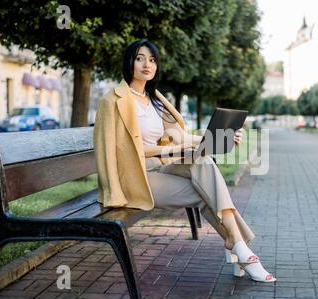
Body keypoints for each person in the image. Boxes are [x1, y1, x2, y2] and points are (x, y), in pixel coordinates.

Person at [93, 40, 275, 282]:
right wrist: (173, 150)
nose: (147, 64)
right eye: (140, 58)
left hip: (161, 169)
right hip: (135, 178)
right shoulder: (113, 101)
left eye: (152, 59)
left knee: (203, 163)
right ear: (129, 62)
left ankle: (237, 245)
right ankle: (238, 247)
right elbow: (123, 150)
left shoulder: (155, 99)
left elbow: (179, 136)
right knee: (206, 191)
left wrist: (221, 137)